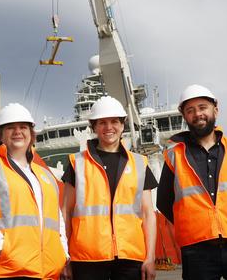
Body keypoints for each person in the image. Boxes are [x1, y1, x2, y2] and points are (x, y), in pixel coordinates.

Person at [156, 84, 227, 280]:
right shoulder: (173, 156)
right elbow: (163, 202)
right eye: (190, 110)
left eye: (202, 107)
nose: (197, 114)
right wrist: (192, 223)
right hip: (197, 250)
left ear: (215, 109)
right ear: (185, 116)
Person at [0, 102, 69, 280]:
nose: (18, 131)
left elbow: (58, 223)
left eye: (23, 127)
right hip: (5, 271)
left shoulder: (45, 175)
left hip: (48, 273)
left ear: (31, 134)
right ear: (1, 136)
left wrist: (62, 254)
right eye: (10, 127)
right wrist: (4, 251)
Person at [62, 96, 157, 280]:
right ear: (94, 127)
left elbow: (148, 214)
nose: (108, 127)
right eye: (102, 122)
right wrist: (65, 258)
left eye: (114, 121)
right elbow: (65, 212)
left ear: (122, 125)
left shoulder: (140, 163)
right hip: (87, 259)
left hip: (130, 257)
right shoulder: (77, 163)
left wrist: (150, 257)